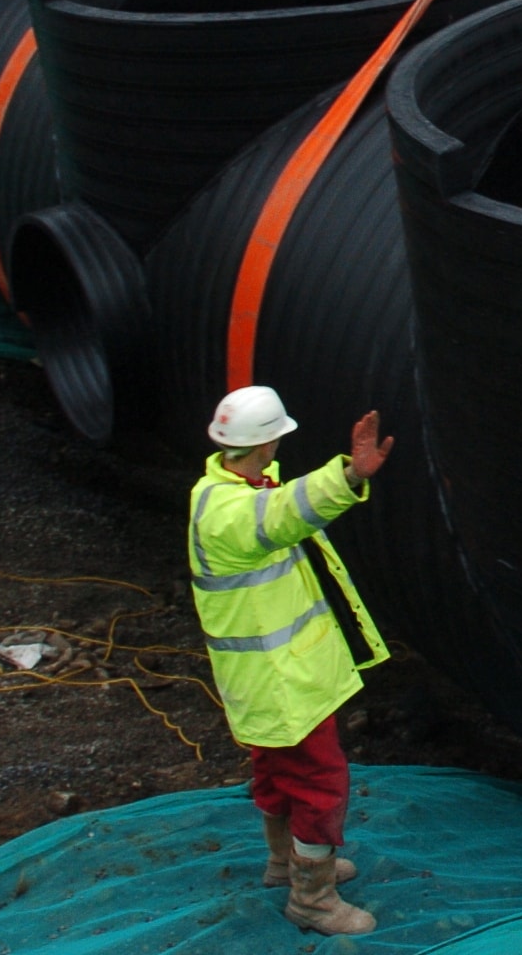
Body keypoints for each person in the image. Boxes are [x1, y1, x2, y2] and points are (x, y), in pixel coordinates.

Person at [190, 386, 392, 934]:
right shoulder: (233, 512)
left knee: (277, 772)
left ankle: (285, 865)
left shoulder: (225, 489)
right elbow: (284, 515)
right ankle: (312, 899)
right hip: (282, 682)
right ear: (268, 442)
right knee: (320, 780)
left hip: (265, 678)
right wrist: (349, 476)